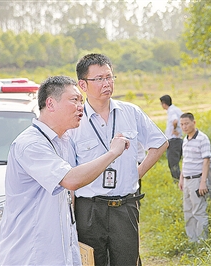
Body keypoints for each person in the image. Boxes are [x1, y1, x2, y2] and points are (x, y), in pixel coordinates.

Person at [0, 76, 129, 265]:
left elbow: (70, 194)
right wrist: (112, 153)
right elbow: (70, 180)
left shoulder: (64, 141)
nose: (80, 107)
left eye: (82, 101)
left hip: (60, 250)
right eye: (74, 100)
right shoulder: (31, 144)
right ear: (50, 103)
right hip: (31, 253)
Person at [70, 53, 168, 266]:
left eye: (110, 77)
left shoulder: (130, 112)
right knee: (91, 262)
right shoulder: (75, 120)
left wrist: (137, 172)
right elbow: (69, 172)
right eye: (99, 79)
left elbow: (160, 143)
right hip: (89, 209)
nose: (107, 83)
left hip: (125, 206)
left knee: (128, 261)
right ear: (82, 85)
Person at [178, 112, 211, 242]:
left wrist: (203, 182)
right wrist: (181, 178)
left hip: (197, 180)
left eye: (186, 123)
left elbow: (206, 161)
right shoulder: (185, 140)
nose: (184, 127)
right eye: (181, 124)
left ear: (194, 122)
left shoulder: (202, 139)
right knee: (188, 211)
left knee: (198, 211)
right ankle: (192, 240)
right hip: (186, 180)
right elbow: (185, 160)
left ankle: (202, 242)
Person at [160, 94, 183, 180]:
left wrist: (174, 129)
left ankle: (177, 181)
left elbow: (175, 120)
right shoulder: (176, 109)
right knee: (176, 162)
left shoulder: (171, 111)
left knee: (173, 163)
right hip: (178, 140)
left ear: (164, 103)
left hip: (173, 140)